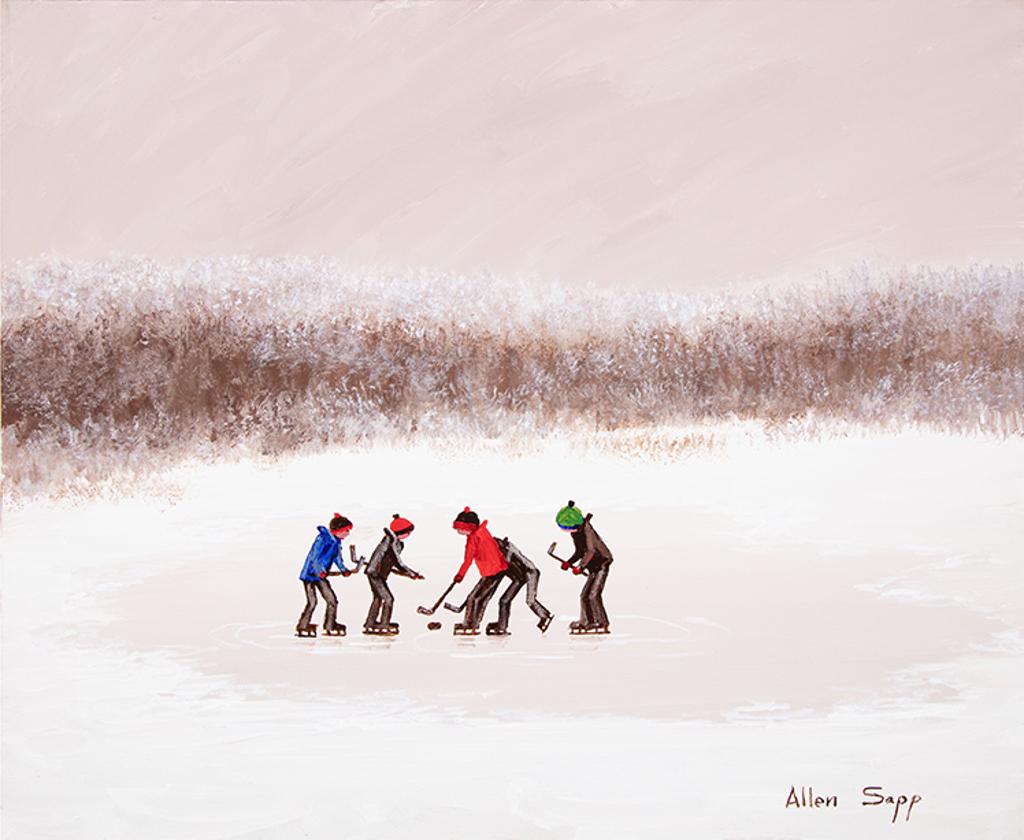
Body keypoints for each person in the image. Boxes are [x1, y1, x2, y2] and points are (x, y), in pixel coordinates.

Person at [556, 500, 613, 633]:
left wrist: (581, 567)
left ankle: (601, 621)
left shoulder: (587, 530)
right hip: (592, 566)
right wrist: (569, 562)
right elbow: (580, 552)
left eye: (568, 527)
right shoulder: (576, 532)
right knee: (584, 595)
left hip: (602, 564)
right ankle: (587, 620)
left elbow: (591, 551)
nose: (567, 531)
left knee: (593, 595)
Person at [451, 507, 509, 635]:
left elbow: (468, 560)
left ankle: (472, 625)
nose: (458, 531)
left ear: (470, 527)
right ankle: (470, 623)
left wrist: (460, 575)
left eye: (461, 528)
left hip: (493, 571)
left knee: (477, 598)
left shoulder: (474, 539)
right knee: (475, 598)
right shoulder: (482, 531)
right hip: (493, 570)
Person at [363, 514, 423, 635]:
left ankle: (370, 623)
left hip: (378, 573)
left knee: (378, 598)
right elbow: (397, 562)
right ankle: (384, 624)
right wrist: (411, 573)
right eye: (408, 532)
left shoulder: (396, 543)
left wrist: (411, 574)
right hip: (375, 573)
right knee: (388, 599)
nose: (409, 535)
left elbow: (393, 564)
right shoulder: (390, 542)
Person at [296, 513, 353, 637]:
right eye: (346, 530)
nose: (348, 533)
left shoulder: (336, 542)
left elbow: (337, 558)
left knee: (332, 600)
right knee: (312, 602)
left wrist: (343, 569)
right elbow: (314, 558)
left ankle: (330, 625)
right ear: (338, 530)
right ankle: (303, 626)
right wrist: (320, 571)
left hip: (322, 576)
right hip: (310, 576)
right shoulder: (322, 539)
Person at [491, 536, 553, 635]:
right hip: (522, 576)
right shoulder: (506, 549)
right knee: (504, 601)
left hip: (530, 572)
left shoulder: (508, 551)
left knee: (530, 600)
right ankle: (502, 626)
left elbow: (506, 564)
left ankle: (545, 616)